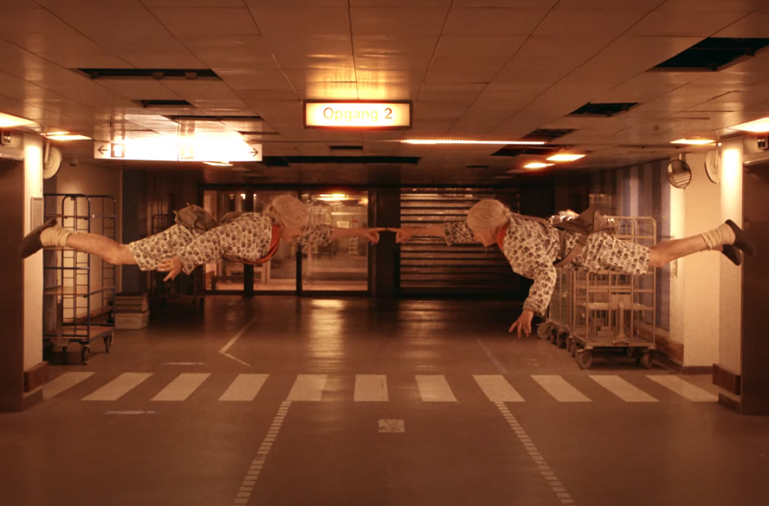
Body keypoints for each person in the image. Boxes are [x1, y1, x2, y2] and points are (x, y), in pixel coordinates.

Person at [390, 199, 755, 338]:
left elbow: (547, 273)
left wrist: (530, 309)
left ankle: (721, 234)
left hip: (590, 248)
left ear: (488, 230)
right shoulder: (504, 222)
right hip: (584, 246)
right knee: (652, 256)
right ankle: (718, 243)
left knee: (654, 258)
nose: (472, 235)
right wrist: (414, 231)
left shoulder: (516, 245)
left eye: (475, 232)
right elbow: (455, 229)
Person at [20, 195, 383, 281]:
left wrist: (359, 232)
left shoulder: (276, 230)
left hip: (193, 242)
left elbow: (319, 233)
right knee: (119, 255)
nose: (302, 233)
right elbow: (215, 240)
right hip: (187, 240)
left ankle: (54, 234)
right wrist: (184, 260)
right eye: (299, 227)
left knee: (120, 254)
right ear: (285, 223)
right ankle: (52, 235)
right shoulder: (257, 231)